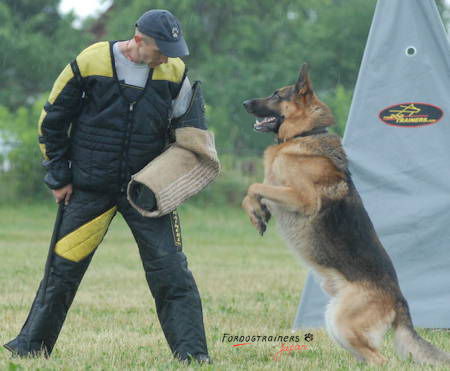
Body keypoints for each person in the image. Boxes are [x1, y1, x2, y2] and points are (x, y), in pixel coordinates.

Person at [4, 9, 213, 363]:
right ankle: (30, 348)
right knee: (62, 271)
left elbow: (191, 134)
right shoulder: (92, 61)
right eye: (161, 49)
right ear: (139, 40)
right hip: (89, 189)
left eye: (172, 50)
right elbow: (52, 120)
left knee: (172, 272)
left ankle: (193, 356)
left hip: (146, 193)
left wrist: (179, 180)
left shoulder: (175, 74)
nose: (167, 57)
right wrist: (59, 177)